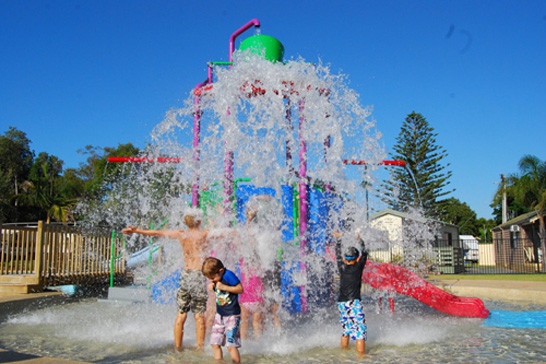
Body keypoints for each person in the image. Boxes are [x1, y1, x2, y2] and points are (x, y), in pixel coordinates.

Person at [121, 209, 209, 352]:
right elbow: (227, 233)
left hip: (185, 275)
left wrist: (137, 230)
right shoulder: (204, 234)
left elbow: (157, 233)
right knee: (199, 315)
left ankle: (177, 347)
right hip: (198, 275)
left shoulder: (181, 234)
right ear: (198, 221)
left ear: (186, 223)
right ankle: (200, 349)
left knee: (181, 314)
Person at [202, 256, 244, 363]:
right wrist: (212, 286)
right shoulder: (216, 277)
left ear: (220, 271)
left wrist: (225, 287)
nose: (211, 280)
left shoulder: (228, 275)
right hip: (220, 314)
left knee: (231, 345)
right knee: (214, 343)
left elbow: (240, 289)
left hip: (232, 315)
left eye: (212, 278)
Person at [333, 229, 368, 357]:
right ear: (356, 258)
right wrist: (360, 240)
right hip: (354, 302)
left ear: (344, 258)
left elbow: (337, 254)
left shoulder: (341, 267)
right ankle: (362, 356)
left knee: (345, 329)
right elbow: (365, 253)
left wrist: (338, 240)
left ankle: (344, 352)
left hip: (341, 303)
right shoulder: (358, 267)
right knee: (360, 330)